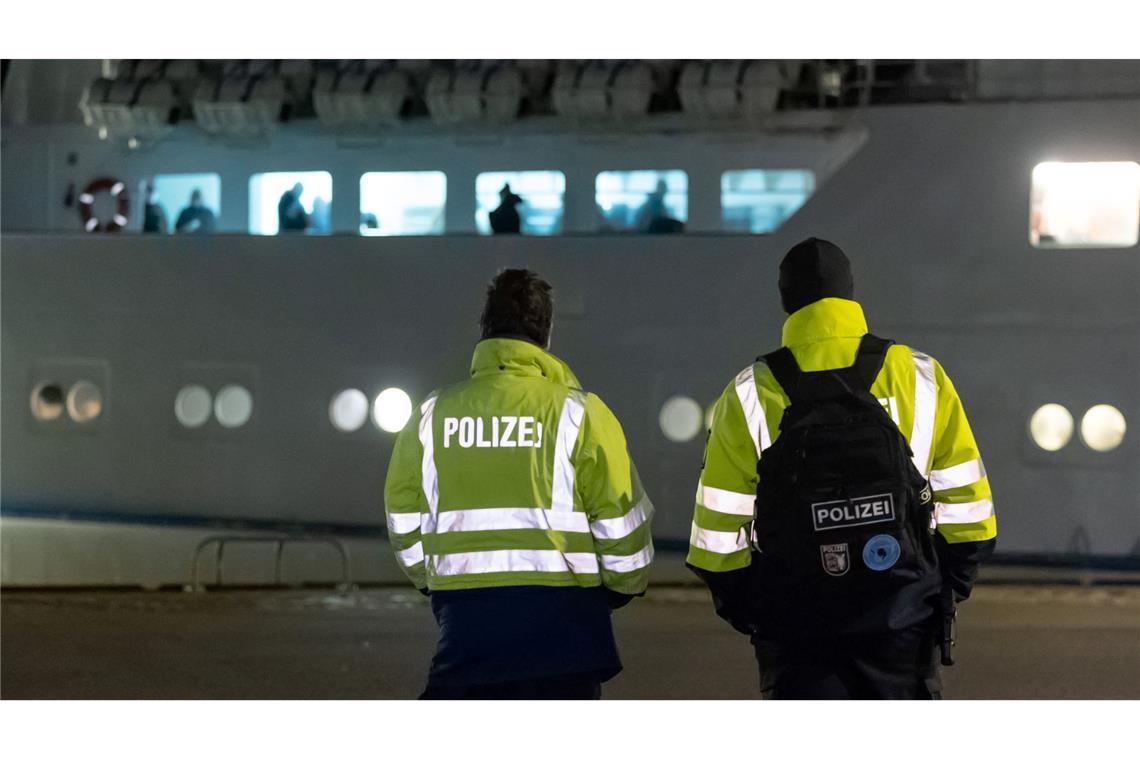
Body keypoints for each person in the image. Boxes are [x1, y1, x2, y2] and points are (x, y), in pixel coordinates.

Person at [687, 237, 996, 699]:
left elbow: (715, 542)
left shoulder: (750, 392)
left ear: (787, 302)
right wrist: (937, 593)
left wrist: (760, 613)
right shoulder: (920, 376)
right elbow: (970, 518)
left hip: (797, 635)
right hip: (903, 624)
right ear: (850, 295)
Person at [384, 268, 654, 699]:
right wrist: (620, 588)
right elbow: (623, 523)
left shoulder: (431, 415)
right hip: (566, 641)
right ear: (546, 333)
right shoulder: (580, 414)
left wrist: (434, 580)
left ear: (485, 332)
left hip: (465, 635)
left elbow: (403, 517)